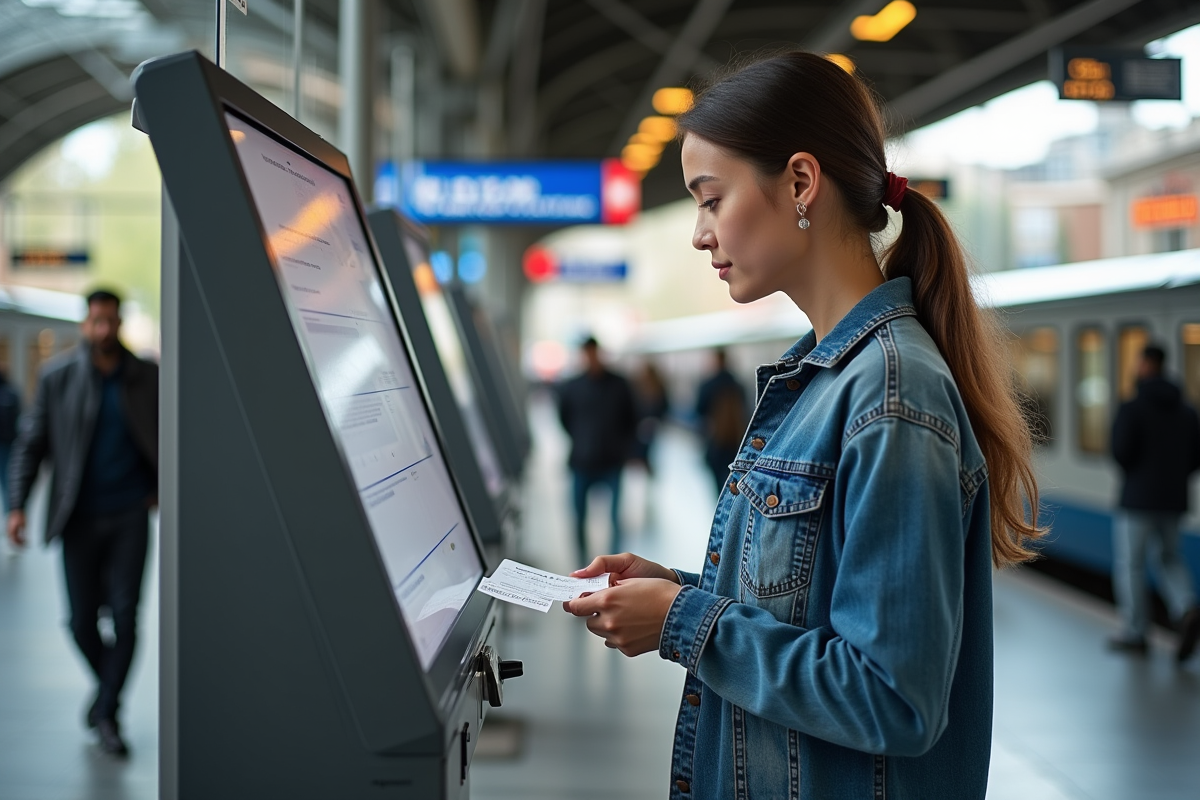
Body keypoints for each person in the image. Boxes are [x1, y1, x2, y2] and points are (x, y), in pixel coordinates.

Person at [562, 52, 1043, 799]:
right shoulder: (823, 377)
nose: (698, 232)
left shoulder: (889, 394)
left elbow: (894, 696)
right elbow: (809, 610)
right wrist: (674, 591)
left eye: (711, 199)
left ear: (798, 184)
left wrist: (683, 621)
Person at [7, 289, 158, 758]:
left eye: (111, 321)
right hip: (78, 516)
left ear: (120, 323)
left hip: (131, 512)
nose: (104, 330)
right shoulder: (59, 378)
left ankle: (108, 712)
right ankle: (107, 697)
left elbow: (173, 434)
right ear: (85, 324)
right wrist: (17, 505)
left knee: (126, 617)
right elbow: (32, 444)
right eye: (96, 321)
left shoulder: (146, 376)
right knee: (79, 622)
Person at [1108, 343, 1200, 661]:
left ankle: (1136, 632)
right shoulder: (1187, 410)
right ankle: (1185, 606)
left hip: (1136, 501)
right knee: (1169, 557)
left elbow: (1120, 451)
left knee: (1131, 564)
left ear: (1146, 364)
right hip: (1173, 500)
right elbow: (1195, 457)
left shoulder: (1133, 407)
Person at [556, 336, 637, 563]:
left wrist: (623, 447)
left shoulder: (619, 384)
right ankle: (582, 563)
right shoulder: (572, 386)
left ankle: (614, 564)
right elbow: (564, 418)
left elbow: (631, 418)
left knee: (615, 518)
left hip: (612, 461)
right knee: (578, 516)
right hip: (581, 462)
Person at [694, 348, 748, 491]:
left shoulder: (708, 384)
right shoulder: (738, 384)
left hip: (715, 440)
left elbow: (698, 411)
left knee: (718, 484)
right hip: (736, 440)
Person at [630, 360, 670, 476]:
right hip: (646, 425)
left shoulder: (650, 387)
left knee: (650, 451)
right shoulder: (644, 387)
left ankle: (647, 468)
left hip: (651, 425)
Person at [0, 368, 20, 507]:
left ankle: (10, 511)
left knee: (7, 479)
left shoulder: (11, 393)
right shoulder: (12, 393)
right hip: (8, 441)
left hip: (7, 443)